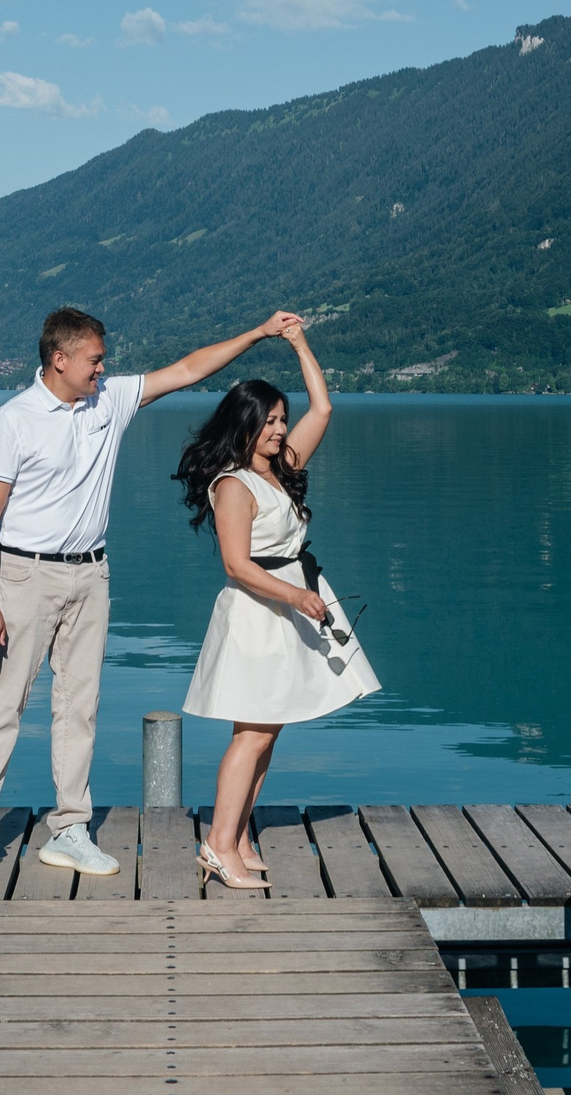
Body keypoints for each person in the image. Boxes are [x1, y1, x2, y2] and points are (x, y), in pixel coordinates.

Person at [0, 304, 311, 888]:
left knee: (80, 708)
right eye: (95, 359)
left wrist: (259, 333)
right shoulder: (12, 420)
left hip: (91, 575)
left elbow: (188, 369)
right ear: (60, 359)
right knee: (4, 708)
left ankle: (69, 831)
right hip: (24, 577)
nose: (104, 368)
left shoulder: (108, 401)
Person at [173, 316, 378, 888]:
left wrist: (299, 342)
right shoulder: (234, 485)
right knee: (253, 734)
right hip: (260, 613)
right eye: (268, 421)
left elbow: (325, 409)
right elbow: (236, 565)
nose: (278, 430)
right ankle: (217, 845)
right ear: (243, 426)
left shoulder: (281, 471)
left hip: (287, 607)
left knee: (271, 729)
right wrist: (298, 596)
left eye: (281, 420)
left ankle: (237, 834)